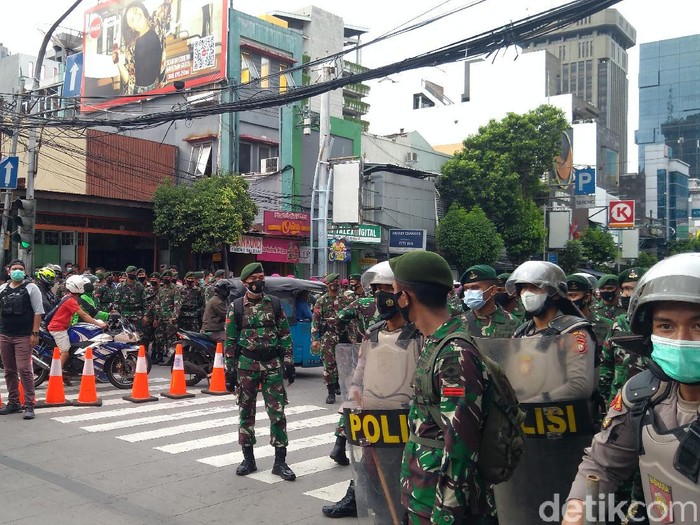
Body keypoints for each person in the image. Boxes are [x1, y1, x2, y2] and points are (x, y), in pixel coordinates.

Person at [563, 253, 700, 525]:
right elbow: (603, 465)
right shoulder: (641, 395)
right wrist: (576, 512)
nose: (682, 339)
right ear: (648, 333)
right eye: (666, 326)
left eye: (698, 325)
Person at [390, 250, 496, 525]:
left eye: (394, 291)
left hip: (440, 504)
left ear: (406, 297)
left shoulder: (453, 354)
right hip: (421, 493)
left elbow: (460, 441)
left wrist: (445, 514)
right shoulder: (434, 342)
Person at [323, 261, 422, 520]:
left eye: (387, 289)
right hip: (375, 421)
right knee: (375, 482)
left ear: (403, 293)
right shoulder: (373, 333)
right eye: (376, 290)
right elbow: (359, 375)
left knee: (405, 485)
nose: (381, 297)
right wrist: (355, 394)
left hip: (406, 423)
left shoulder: (420, 335)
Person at [224, 262, 296, 481]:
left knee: (278, 413)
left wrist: (289, 362)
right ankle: (248, 459)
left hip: (272, 366)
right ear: (246, 283)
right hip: (246, 365)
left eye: (261, 277)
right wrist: (229, 372)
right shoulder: (236, 307)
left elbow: (284, 334)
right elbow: (230, 341)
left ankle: (280, 462)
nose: (259, 281)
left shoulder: (274, 304)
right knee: (246, 413)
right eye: (254, 278)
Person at [0, 260, 44, 420]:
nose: (17, 271)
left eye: (20, 269)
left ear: (25, 271)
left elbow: (38, 312)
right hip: (5, 335)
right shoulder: (2, 289)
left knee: (24, 370)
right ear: (8, 271)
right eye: (14, 269)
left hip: (24, 336)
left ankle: (29, 404)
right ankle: (13, 403)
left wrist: (35, 333)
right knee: (9, 370)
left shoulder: (31, 288)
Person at [47, 275, 107, 377]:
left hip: (64, 327)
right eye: (83, 285)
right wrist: (98, 323)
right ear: (78, 286)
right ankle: (54, 375)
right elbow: (83, 314)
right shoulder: (71, 300)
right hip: (58, 329)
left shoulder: (69, 298)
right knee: (65, 352)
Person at [312, 273, 352, 404]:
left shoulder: (346, 300)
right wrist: (315, 339)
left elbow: (353, 318)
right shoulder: (321, 301)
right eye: (332, 282)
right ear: (328, 285)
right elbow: (315, 321)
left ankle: (340, 385)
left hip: (344, 336)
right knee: (329, 365)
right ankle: (330, 392)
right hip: (328, 336)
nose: (335, 284)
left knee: (345, 364)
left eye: (337, 281)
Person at [112, 1, 165, 95]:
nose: (135, 16)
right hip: (138, 91)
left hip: (157, 86)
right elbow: (128, 80)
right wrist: (118, 62)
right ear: (130, 26)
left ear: (144, 12)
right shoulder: (131, 46)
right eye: (131, 18)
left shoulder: (157, 26)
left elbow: (166, 6)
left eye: (136, 10)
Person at [461, 264, 519, 338]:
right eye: (466, 289)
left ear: (493, 290)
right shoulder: (457, 324)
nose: (469, 292)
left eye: (475, 288)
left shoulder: (513, 323)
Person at [153, 270, 180, 364]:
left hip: (170, 318)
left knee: (171, 339)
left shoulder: (175, 289)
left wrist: (174, 317)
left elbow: (177, 305)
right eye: (164, 277)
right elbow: (157, 304)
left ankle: (171, 358)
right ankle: (159, 356)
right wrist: (155, 318)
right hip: (161, 317)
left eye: (168, 277)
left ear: (171, 278)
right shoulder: (161, 289)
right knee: (158, 337)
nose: (166, 278)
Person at [113, 265, 145, 334]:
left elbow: (144, 301)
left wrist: (145, 315)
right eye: (131, 273)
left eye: (134, 273)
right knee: (125, 334)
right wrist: (118, 314)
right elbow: (116, 302)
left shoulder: (140, 286)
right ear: (127, 274)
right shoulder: (120, 286)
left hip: (137, 314)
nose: (133, 275)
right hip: (124, 314)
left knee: (138, 334)